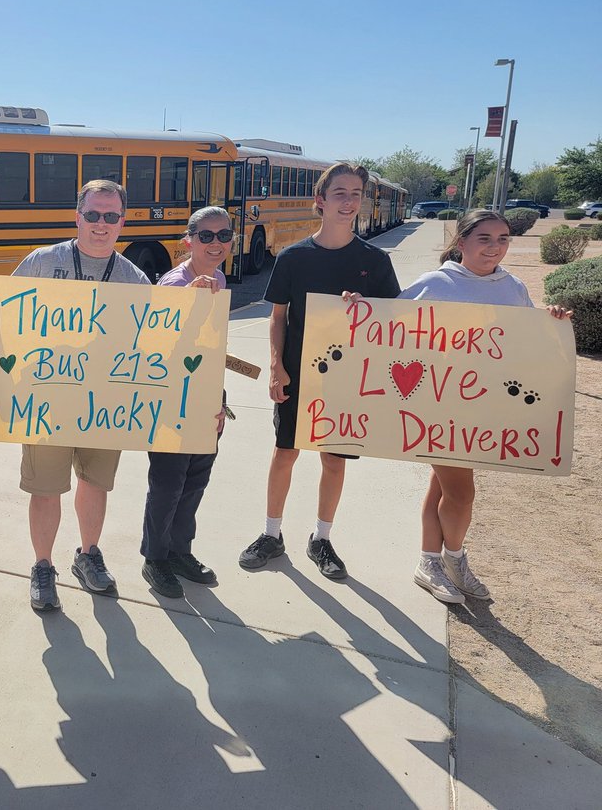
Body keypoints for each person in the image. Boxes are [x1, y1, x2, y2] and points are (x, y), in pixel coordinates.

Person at [0, 179, 150, 611]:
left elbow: (154, 339)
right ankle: (43, 566)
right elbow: (4, 317)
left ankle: (88, 555)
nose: (101, 224)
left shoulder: (134, 277)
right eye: (93, 214)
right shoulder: (42, 260)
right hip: (45, 398)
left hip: (104, 403)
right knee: (46, 487)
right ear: (78, 216)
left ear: (122, 221)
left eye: (111, 216)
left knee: (94, 483)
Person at [400, 209, 572, 603]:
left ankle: (429, 563)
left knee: (441, 486)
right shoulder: (435, 283)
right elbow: (387, 325)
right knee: (462, 493)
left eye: (503, 239)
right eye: (484, 239)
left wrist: (552, 318)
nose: (495, 248)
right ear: (461, 242)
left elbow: (526, 334)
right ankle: (455, 559)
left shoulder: (511, 286)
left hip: (486, 406)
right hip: (439, 404)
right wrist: (353, 306)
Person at [238, 163, 400, 580]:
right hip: (298, 373)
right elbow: (278, 317)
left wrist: (366, 307)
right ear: (320, 201)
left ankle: (321, 538)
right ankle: (271, 534)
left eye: (356, 193)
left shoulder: (376, 261)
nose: (349, 201)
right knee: (285, 453)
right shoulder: (294, 257)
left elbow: (395, 322)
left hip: (348, 380)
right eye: (340, 193)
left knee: (333, 459)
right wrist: (277, 366)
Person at [140, 206, 232, 597]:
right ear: (188, 241)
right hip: (170, 397)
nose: (216, 244)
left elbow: (211, 345)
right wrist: (186, 306)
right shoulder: (175, 284)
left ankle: (180, 550)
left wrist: (218, 397)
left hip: (205, 391)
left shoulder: (219, 277)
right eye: (206, 236)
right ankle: (155, 558)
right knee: (168, 483)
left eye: (223, 236)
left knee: (196, 478)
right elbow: (154, 345)